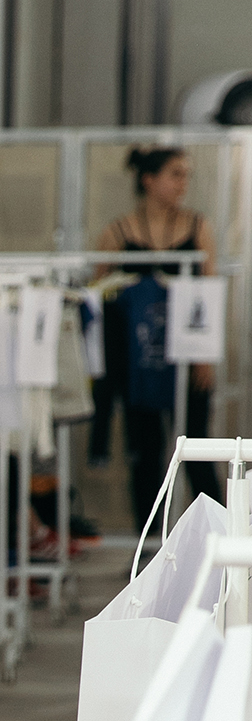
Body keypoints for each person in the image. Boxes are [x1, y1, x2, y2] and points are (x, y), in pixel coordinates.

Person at [93, 146, 218, 522]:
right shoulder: (117, 233)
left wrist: (204, 357)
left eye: (186, 175)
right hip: (140, 362)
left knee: (199, 448)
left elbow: (208, 296)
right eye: (175, 174)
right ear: (149, 180)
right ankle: (149, 544)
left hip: (187, 356)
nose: (183, 183)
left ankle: (216, 537)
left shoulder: (198, 228)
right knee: (146, 452)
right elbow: (98, 297)